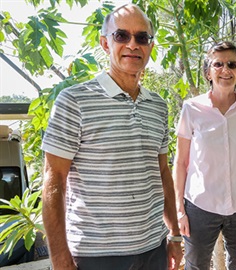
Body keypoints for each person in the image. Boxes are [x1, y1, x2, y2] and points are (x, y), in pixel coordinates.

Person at [41, 4, 182, 270]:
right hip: (97, 255)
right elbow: (54, 180)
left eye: (142, 37)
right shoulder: (74, 101)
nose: (133, 44)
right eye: (122, 36)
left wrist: (173, 234)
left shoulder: (158, 106)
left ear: (151, 46)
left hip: (153, 247)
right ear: (105, 43)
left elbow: (162, 172)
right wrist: (60, 259)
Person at [173, 41, 236, 270]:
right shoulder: (191, 109)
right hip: (200, 206)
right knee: (196, 266)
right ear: (208, 72)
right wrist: (179, 210)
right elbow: (181, 161)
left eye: (232, 64)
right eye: (218, 64)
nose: (226, 70)